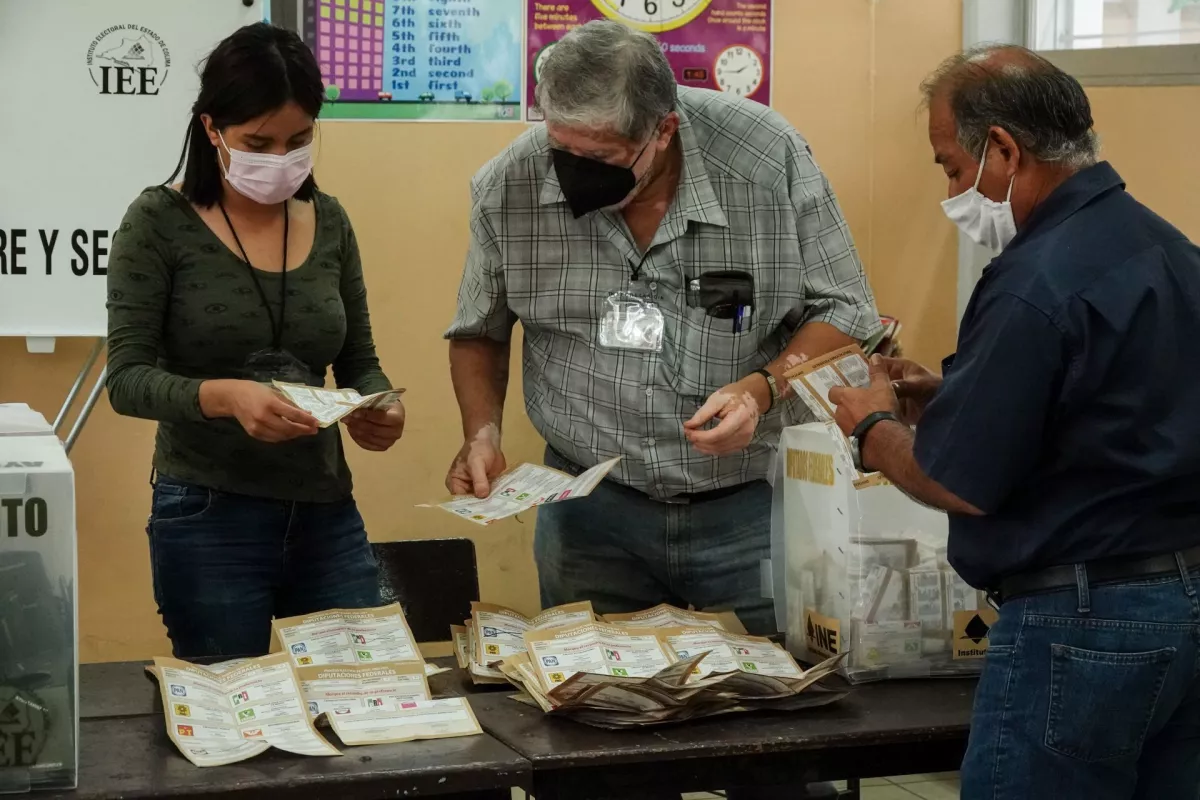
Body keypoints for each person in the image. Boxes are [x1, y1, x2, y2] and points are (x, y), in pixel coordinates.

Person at [829, 45, 1200, 798]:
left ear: (1003, 149)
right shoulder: (1167, 249)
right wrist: (956, 394)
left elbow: (956, 481)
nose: (952, 192)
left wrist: (873, 427)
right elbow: (1122, 403)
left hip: (1084, 621)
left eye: (950, 168)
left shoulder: (1036, 278)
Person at [445, 19, 878, 637]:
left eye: (600, 158)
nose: (574, 172)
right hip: (587, 512)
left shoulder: (765, 158)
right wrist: (480, 433)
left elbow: (846, 311)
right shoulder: (508, 187)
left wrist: (761, 390)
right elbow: (479, 330)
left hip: (752, 504)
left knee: (777, 683)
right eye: (560, 150)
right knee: (598, 689)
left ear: (664, 130)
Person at [106, 23, 404, 660]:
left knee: (364, 690)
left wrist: (379, 404)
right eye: (258, 143)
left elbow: (359, 360)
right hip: (208, 515)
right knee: (230, 700)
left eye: (299, 140)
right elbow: (127, 380)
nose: (281, 159)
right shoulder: (158, 221)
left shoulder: (330, 220)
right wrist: (226, 396)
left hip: (325, 510)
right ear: (212, 129)